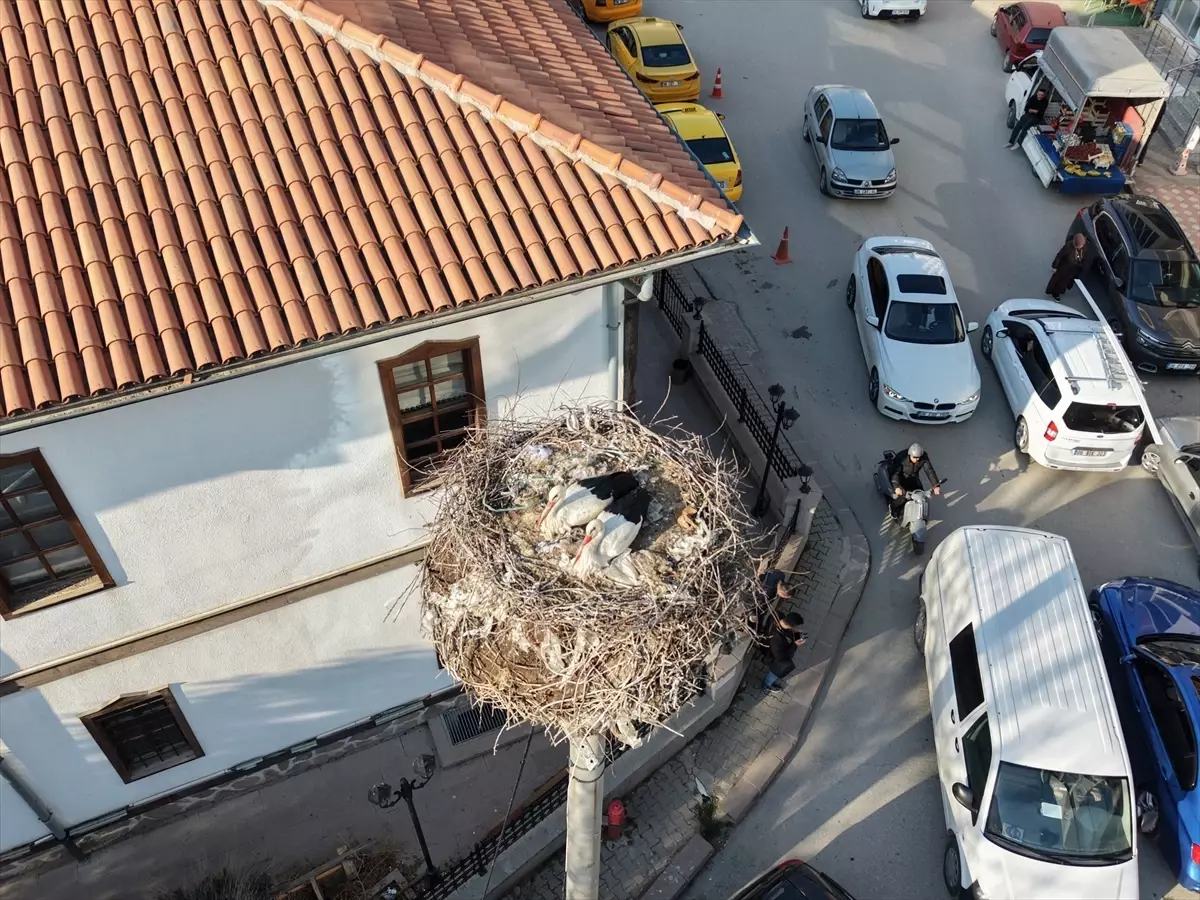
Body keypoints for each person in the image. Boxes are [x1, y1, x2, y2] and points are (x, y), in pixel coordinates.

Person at [889, 442, 941, 521]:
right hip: (901, 477)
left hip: (913, 477)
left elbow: (929, 471)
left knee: (921, 494)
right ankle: (893, 508)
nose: (917, 460)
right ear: (910, 455)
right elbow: (895, 473)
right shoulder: (901, 457)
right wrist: (897, 487)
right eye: (915, 457)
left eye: (919, 457)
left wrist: (935, 485)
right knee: (902, 497)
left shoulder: (923, 457)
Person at [762, 612, 807, 693]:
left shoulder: (777, 615)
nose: (798, 628)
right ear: (790, 626)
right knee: (779, 667)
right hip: (771, 653)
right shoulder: (778, 640)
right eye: (797, 627)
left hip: (767, 641)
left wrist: (796, 633)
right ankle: (767, 685)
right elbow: (781, 657)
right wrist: (795, 645)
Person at [750, 569, 793, 648]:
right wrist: (753, 614)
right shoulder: (767, 593)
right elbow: (758, 606)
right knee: (759, 617)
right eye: (785, 597)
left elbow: (770, 571)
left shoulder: (780, 575)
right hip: (756, 597)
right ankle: (755, 634)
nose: (784, 598)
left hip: (759, 582)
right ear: (782, 592)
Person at [1046, 233, 1088, 300]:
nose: (1082, 246)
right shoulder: (1068, 247)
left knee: (1066, 281)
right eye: (1081, 245)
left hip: (1072, 268)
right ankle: (1055, 293)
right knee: (1059, 281)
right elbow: (1059, 256)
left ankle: (1062, 289)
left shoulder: (1082, 248)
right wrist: (1054, 267)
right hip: (1064, 268)